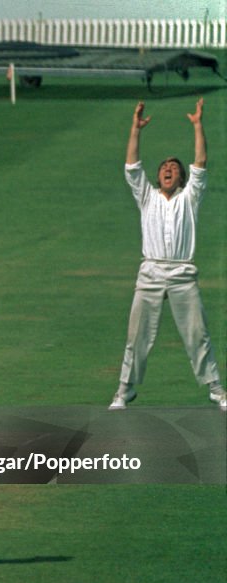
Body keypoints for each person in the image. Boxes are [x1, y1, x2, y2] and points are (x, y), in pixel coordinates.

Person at [109, 98, 226, 411]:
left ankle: (217, 390)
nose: (168, 170)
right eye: (164, 168)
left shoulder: (190, 198)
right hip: (150, 273)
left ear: (182, 179)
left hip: (183, 274)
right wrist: (135, 129)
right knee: (137, 337)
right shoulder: (146, 196)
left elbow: (200, 161)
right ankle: (123, 391)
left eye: (174, 168)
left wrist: (198, 125)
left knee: (197, 334)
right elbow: (132, 166)